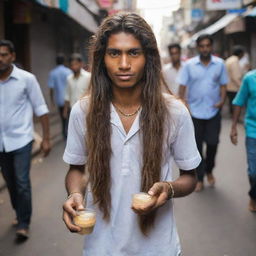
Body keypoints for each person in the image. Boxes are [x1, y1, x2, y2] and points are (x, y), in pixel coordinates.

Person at [62, 13, 201, 256]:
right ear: (102, 58)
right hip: (101, 248)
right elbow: (76, 167)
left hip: (159, 248)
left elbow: (190, 177)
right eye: (114, 53)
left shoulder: (175, 112)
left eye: (134, 53)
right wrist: (74, 193)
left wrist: (168, 189)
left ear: (148, 58)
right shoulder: (82, 111)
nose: (124, 64)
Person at [0, 40, 51, 239]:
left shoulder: (26, 79)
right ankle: (19, 212)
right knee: (11, 183)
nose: (0, 59)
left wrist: (46, 139)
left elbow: (41, 108)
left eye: (4, 54)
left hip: (22, 139)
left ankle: (24, 223)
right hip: (1, 143)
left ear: (12, 56)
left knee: (21, 182)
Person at [178, 34, 228, 192]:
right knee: (197, 146)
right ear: (198, 47)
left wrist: (222, 100)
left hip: (213, 111)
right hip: (194, 113)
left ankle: (209, 170)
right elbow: (182, 87)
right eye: (202, 46)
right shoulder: (189, 65)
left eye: (208, 45)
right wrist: (183, 104)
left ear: (211, 47)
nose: (205, 48)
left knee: (213, 143)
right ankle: (199, 178)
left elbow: (223, 85)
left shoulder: (220, 64)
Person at [230, 69, 256, 212]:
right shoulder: (249, 78)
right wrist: (233, 127)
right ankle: (253, 196)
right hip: (253, 131)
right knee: (253, 172)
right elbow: (239, 102)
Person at [48, 54, 72, 139]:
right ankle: (69, 133)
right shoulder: (68, 71)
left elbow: (51, 88)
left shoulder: (52, 73)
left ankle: (64, 134)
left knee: (63, 118)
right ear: (64, 61)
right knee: (70, 117)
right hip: (69, 99)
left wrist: (52, 101)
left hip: (59, 99)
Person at [63, 53, 91, 119]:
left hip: (85, 111)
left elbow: (91, 93)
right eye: (72, 65)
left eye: (76, 64)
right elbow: (67, 95)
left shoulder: (88, 76)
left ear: (81, 64)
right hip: (72, 110)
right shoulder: (69, 78)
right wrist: (65, 110)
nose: (74, 67)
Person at [225, 45, 245, 115]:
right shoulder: (234, 61)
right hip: (233, 87)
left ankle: (233, 115)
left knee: (232, 103)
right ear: (240, 53)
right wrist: (242, 87)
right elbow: (235, 77)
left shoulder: (230, 60)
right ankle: (235, 117)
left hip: (229, 86)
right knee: (236, 103)